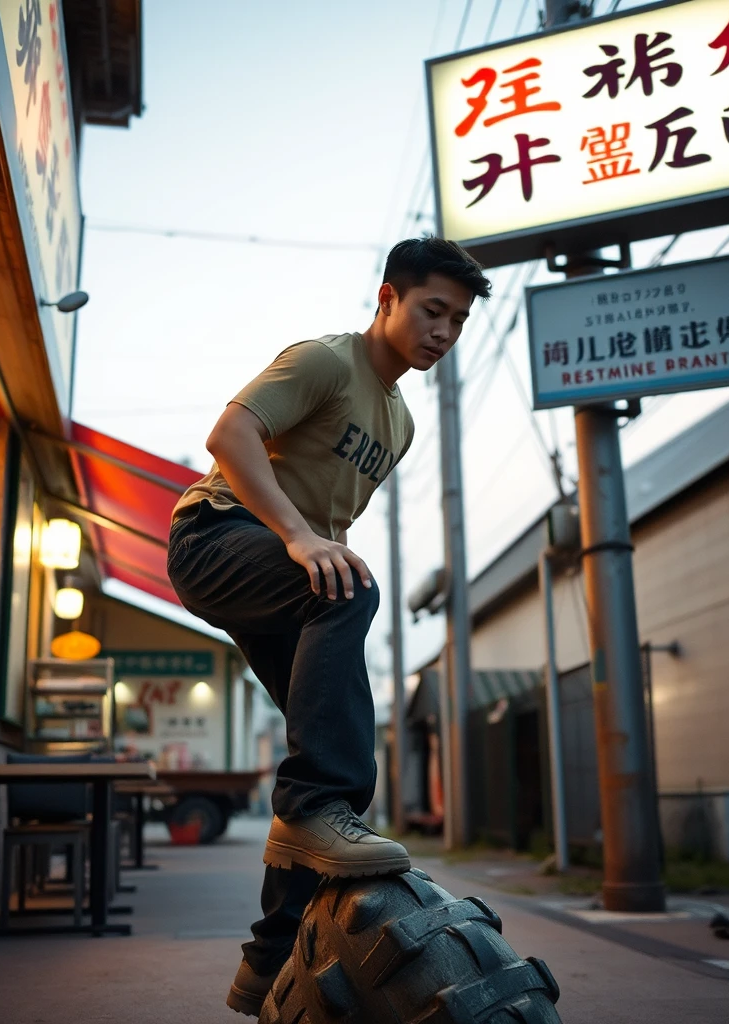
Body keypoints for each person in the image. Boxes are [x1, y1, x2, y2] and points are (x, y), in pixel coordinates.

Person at [166, 237, 491, 1016]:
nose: (443, 331)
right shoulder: (326, 360)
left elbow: (333, 518)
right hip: (215, 535)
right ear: (388, 299)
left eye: (459, 320)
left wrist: (320, 545)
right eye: (431, 311)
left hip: (282, 561)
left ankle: (269, 955)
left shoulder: (400, 421)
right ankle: (316, 810)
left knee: (330, 741)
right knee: (346, 602)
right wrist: (300, 538)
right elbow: (231, 436)